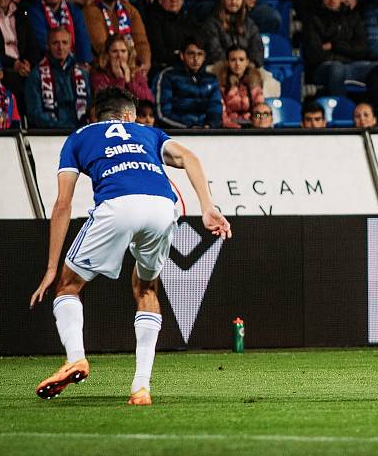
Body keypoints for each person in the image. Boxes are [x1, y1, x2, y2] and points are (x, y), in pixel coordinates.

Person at [29, 86, 231, 406]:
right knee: (146, 287)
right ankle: (140, 387)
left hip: (117, 205)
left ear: (99, 115)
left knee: (68, 285)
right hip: (164, 208)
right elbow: (189, 157)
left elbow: (62, 205)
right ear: (127, 116)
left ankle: (77, 358)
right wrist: (207, 206)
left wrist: (52, 268)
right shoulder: (148, 133)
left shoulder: (79, 137)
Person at [302, 0, 372, 97]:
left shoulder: (352, 17)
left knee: (376, 68)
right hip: (322, 68)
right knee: (337, 68)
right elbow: (315, 54)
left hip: (351, 65)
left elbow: (362, 49)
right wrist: (346, 52)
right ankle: (339, 108)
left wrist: (334, 45)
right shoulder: (312, 19)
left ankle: (372, 111)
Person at [83, 0, 152, 73]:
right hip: (104, 69)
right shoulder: (91, 11)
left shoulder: (130, 10)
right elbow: (101, 46)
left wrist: (144, 63)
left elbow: (141, 40)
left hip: (132, 68)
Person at [25, 26, 91, 129]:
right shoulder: (36, 75)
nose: (60, 47)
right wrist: (62, 125)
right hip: (50, 135)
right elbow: (34, 113)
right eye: (55, 43)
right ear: (48, 46)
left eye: (64, 42)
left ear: (70, 45)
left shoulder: (82, 74)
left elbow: (90, 107)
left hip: (80, 132)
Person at [28, 0, 94, 66]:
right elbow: (43, 41)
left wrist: (84, 62)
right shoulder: (34, 12)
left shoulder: (74, 11)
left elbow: (82, 38)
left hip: (75, 62)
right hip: (47, 63)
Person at [156, 36, 222, 128]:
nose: (195, 58)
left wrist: (209, 126)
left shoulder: (211, 79)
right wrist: (189, 128)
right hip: (178, 133)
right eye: (191, 53)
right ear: (182, 55)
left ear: (204, 57)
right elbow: (162, 114)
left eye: (200, 54)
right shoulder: (168, 76)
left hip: (206, 133)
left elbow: (216, 109)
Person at [202, 0, 264, 67]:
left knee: (269, 79)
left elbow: (257, 50)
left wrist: (249, 65)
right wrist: (234, 66)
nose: (233, 2)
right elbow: (214, 51)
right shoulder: (212, 24)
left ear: (243, 0)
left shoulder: (249, 24)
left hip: (246, 68)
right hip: (220, 67)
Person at [144, 0, 196, 77]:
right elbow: (159, 52)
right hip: (164, 69)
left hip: (187, 65)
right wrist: (182, 56)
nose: (174, 0)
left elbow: (197, 43)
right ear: (160, 0)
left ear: (183, 0)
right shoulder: (153, 20)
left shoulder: (188, 17)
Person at [90, 33, 154, 102]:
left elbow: (148, 99)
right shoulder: (99, 75)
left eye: (123, 51)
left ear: (129, 54)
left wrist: (129, 82)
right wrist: (120, 79)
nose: (119, 55)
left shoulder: (136, 73)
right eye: (114, 51)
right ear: (107, 54)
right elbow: (109, 102)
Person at [214, 45, 264, 128]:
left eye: (241, 59)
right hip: (227, 128)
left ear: (247, 62)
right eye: (233, 60)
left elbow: (259, 109)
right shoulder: (220, 83)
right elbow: (220, 109)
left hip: (251, 126)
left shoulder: (255, 83)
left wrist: (257, 121)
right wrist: (228, 124)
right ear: (227, 62)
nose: (237, 63)